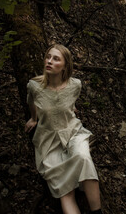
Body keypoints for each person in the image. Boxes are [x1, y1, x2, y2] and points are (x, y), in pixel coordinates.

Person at [25, 44, 102, 214]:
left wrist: (66, 109)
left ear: (65, 66)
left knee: (84, 159)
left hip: (72, 132)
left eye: (56, 58)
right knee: (65, 191)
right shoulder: (34, 86)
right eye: (48, 57)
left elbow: (71, 101)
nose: (49, 61)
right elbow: (31, 101)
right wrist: (33, 118)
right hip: (48, 140)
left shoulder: (75, 85)